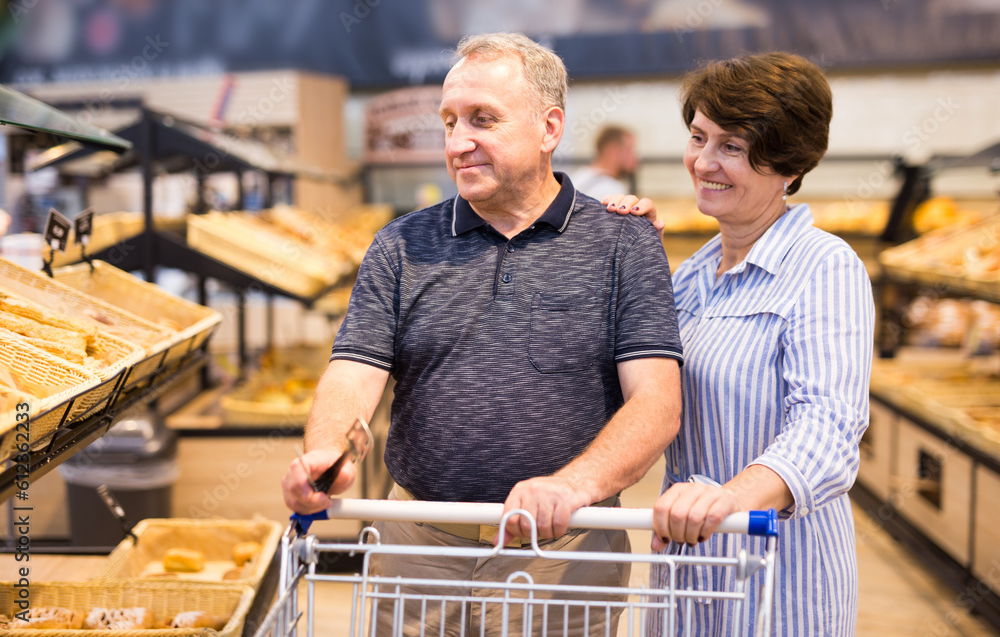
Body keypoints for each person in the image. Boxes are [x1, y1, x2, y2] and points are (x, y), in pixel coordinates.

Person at [282, 32, 684, 635]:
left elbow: (657, 403)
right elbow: (352, 374)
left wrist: (571, 487)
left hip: (564, 560)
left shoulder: (623, 243)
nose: (457, 143)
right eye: (449, 122)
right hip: (417, 555)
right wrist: (327, 453)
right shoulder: (402, 244)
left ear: (550, 129)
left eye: (483, 120)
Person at [604, 52, 874, 635]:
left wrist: (729, 499)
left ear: (789, 162)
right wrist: (622, 258)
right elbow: (640, 394)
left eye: (731, 146)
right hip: (686, 570)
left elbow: (828, 429)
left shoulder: (824, 268)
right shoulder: (690, 276)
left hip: (780, 578)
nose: (703, 162)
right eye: (698, 138)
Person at [571, 124, 639, 200]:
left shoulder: (577, 177)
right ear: (613, 150)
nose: (636, 158)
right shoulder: (613, 191)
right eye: (630, 150)